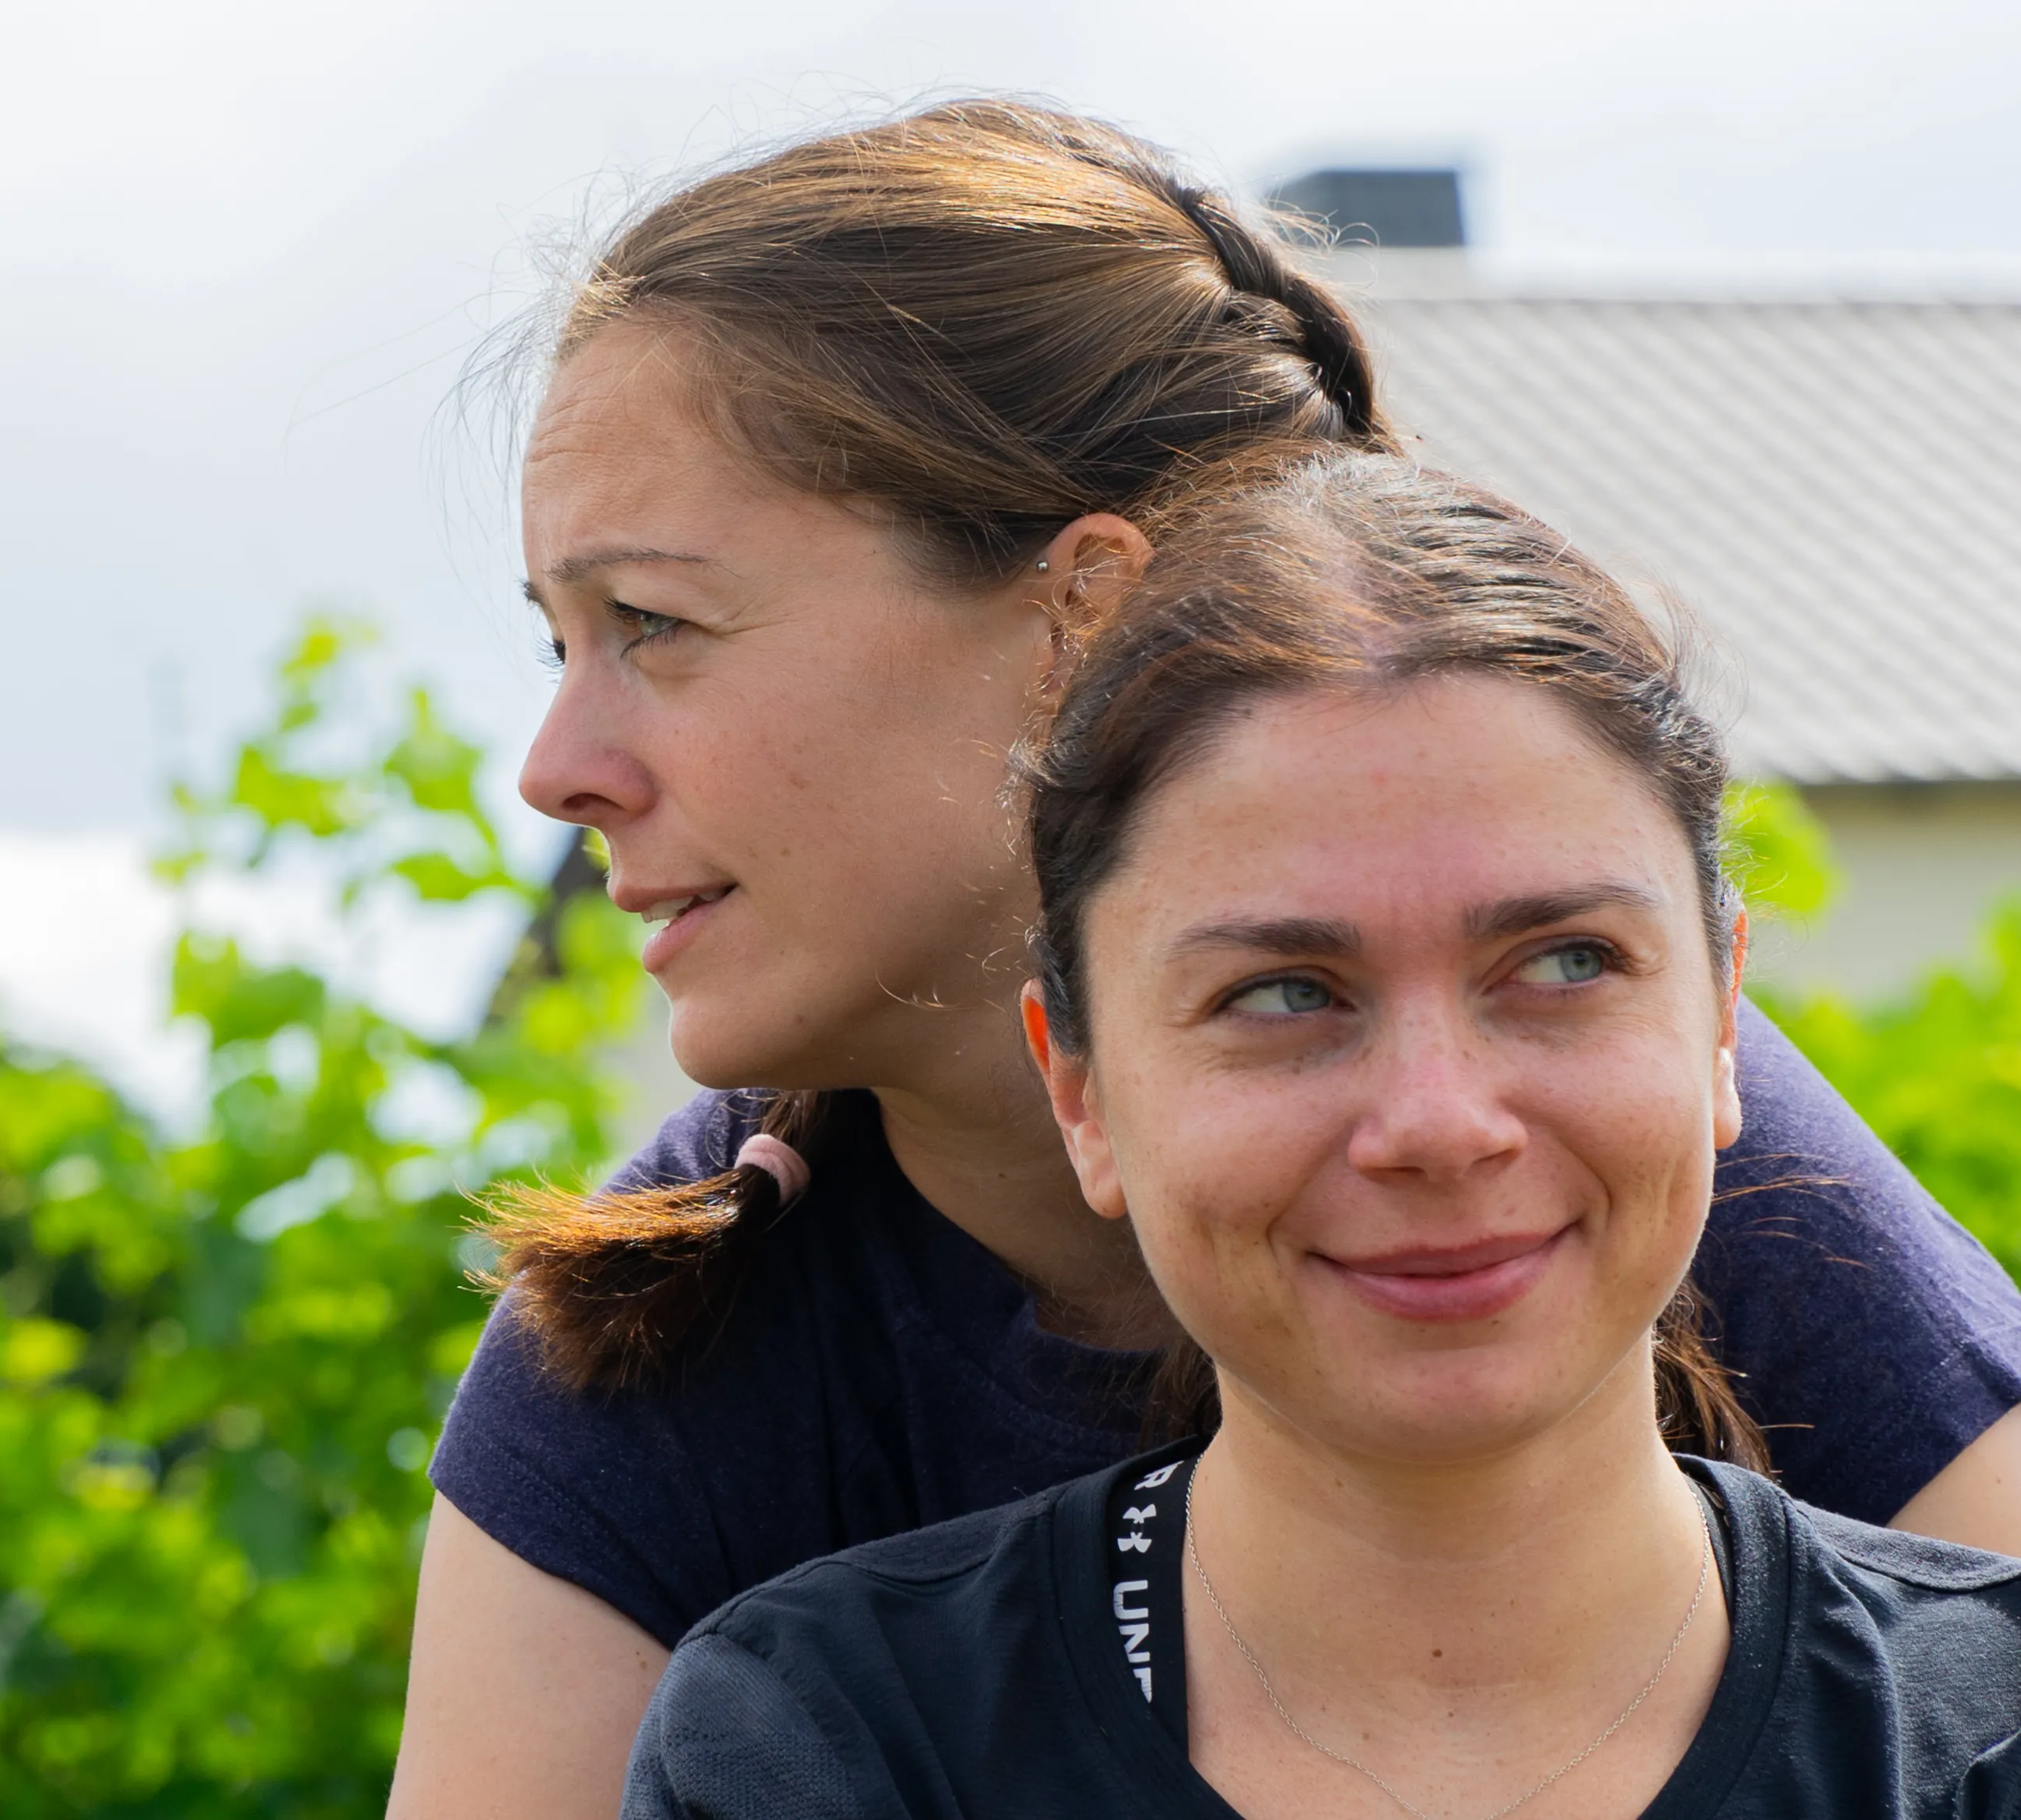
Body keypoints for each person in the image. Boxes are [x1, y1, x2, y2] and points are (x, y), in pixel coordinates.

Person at [388, 101, 2021, 1818]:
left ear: (1079, 617)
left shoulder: (1617, 1164)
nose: (554, 763)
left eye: (654, 623)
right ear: (1076, 1081)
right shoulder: (678, 1337)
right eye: (1286, 996)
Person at [620, 452, 2021, 1818]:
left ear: (1721, 1017)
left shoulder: (1986, 1734)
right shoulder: (830, 1745)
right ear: (1082, 1093)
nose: (1438, 1124)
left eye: (1564, 963)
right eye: (1283, 994)